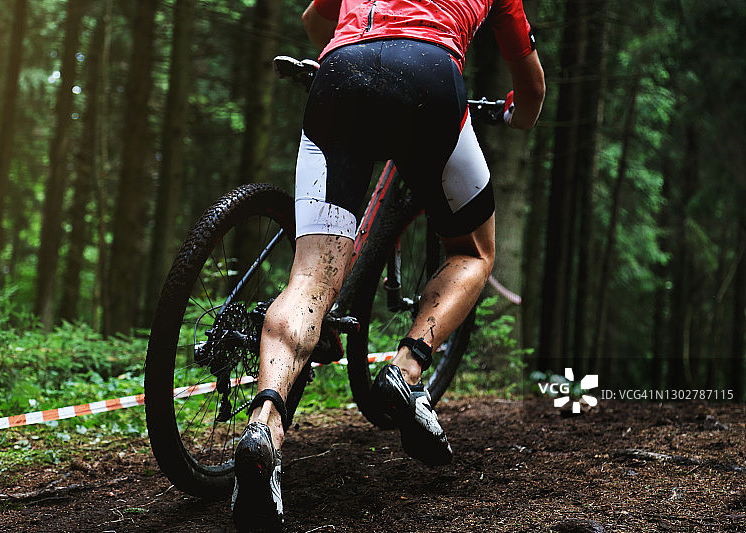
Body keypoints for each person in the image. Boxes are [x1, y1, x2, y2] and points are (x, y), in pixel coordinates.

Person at [231, 0, 545, 530]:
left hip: (342, 71)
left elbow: (314, 22)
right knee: (473, 251)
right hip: (429, 77)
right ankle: (407, 368)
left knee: (309, 279)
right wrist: (517, 115)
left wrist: (356, 58)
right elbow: (531, 87)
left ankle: (265, 422)